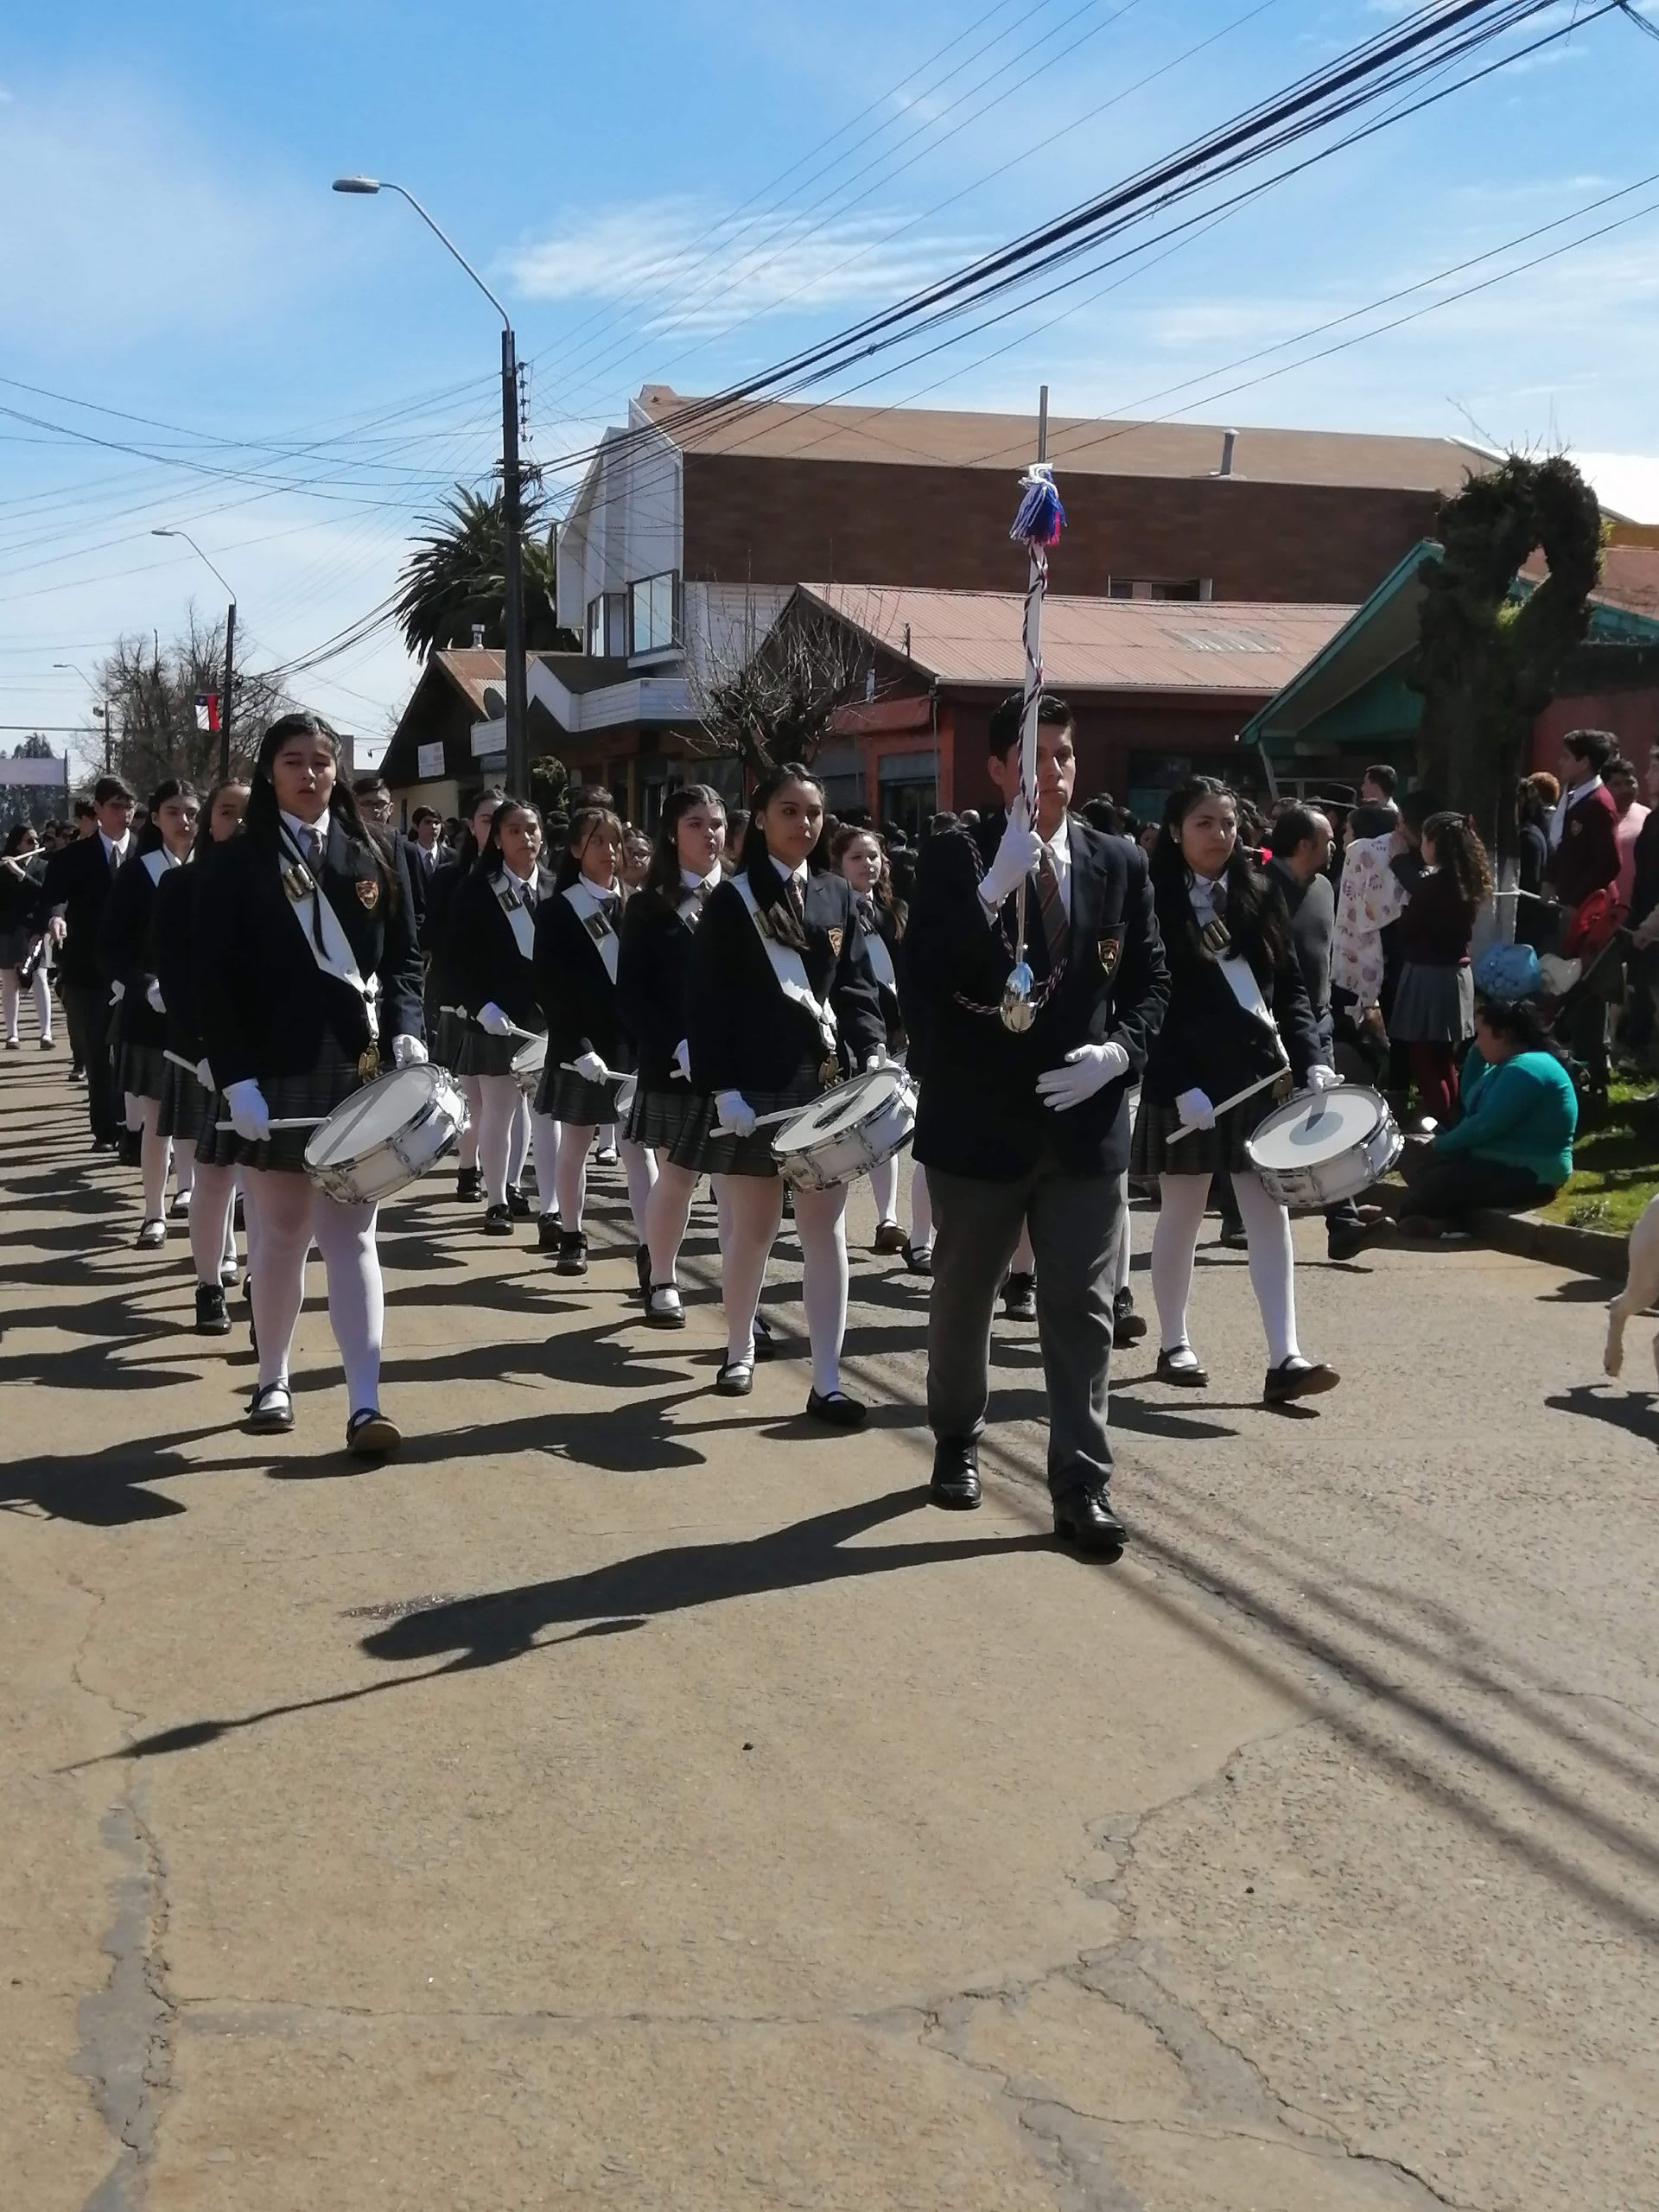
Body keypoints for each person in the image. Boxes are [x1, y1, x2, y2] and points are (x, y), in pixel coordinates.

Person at [903, 692, 1167, 1550]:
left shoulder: (1116, 859)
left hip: (1082, 1127)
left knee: (1083, 1308)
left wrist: (1119, 1054)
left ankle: (1080, 1482)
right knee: (964, 1297)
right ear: (996, 769)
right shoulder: (956, 854)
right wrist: (991, 890)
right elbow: (925, 979)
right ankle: (955, 1437)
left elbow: (1153, 979)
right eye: (1031, 756)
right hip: (979, 1125)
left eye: (1061, 754)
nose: (1048, 771)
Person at [194, 712, 424, 1452]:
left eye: (322, 761)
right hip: (274, 1073)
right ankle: (272, 1377)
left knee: (353, 1236)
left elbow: (405, 963)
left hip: (357, 1070)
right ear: (270, 772)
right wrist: (236, 1081)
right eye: (294, 761)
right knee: (284, 1236)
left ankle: (365, 1401)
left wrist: (406, 1027)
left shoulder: (377, 854)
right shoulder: (236, 862)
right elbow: (215, 986)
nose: (311, 773)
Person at [1131, 776, 1339, 1408]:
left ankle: (1285, 1356)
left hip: (1256, 1079)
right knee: (1184, 1213)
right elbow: (1148, 1001)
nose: (1219, 836)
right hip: (1188, 1087)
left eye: (1227, 824)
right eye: (1203, 823)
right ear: (1175, 831)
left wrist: (1312, 1060)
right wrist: (1172, 1083)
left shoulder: (1260, 891)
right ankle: (1175, 1342)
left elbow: (1290, 988)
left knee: (1269, 1214)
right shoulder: (1152, 899)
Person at [689, 762, 885, 1423]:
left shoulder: (839, 895)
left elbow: (856, 987)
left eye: (813, 812)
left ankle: (827, 1377)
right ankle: (739, 1344)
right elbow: (708, 1004)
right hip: (753, 1086)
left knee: (824, 1232)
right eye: (789, 811)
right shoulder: (730, 899)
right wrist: (723, 1090)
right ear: (762, 817)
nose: (803, 824)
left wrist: (876, 1048)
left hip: (824, 1083)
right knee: (754, 1231)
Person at [618, 785, 732, 1327]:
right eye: (695, 823)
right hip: (673, 1065)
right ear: (671, 832)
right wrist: (675, 1043)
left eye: (717, 822)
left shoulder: (742, 894)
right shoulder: (647, 905)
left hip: (739, 1064)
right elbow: (635, 994)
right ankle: (661, 1275)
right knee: (678, 1177)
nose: (709, 833)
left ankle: (742, 1301)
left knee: (737, 1189)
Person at [533, 805, 654, 1277]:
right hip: (578, 1046)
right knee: (576, 1142)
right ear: (577, 849)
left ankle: (649, 1248)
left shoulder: (638, 906)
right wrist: (580, 1047)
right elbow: (551, 988)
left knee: (637, 1148)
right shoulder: (558, 909)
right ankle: (572, 1232)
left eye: (615, 841)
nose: (609, 851)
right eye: (598, 841)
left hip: (631, 1047)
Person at [1268, 804, 1382, 1262]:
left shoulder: (1323, 889)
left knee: (1326, 1117)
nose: (1335, 847)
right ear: (1303, 845)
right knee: (1265, 1121)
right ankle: (1238, 1210)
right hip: (1269, 1027)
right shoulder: (1259, 891)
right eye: (1328, 840)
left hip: (1318, 1023)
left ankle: (1344, 1220)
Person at [156, 780, 250, 1331]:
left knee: (268, 1184)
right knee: (213, 1177)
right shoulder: (182, 884)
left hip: (269, 1054)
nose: (237, 823)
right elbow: (177, 976)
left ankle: (263, 1282)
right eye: (227, 812)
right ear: (210, 821)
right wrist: (206, 1048)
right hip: (205, 1054)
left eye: (248, 813)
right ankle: (208, 1284)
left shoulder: (286, 883)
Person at [449, 797, 562, 1241]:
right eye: (514, 830)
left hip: (550, 1020)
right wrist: (480, 1006)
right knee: (498, 1110)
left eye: (532, 829)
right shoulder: (478, 889)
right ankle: (496, 1199)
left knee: (549, 1115)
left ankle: (552, 1205)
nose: (526, 838)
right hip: (495, 1016)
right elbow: (457, 960)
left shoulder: (557, 886)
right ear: (496, 838)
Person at [99, 778, 200, 1245]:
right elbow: (113, 947)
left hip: (202, 1013)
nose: (185, 822)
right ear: (156, 818)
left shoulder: (215, 868)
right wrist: (143, 987)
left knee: (196, 1114)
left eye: (191, 812)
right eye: (175, 812)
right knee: (157, 1116)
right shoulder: (138, 872)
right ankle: (153, 1212)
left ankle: (190, 1191)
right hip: (151, 1010)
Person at [1390, 995, 1577, 1236]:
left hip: (1531, 1175)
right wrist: (1477, 1054)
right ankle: (1442, 1221)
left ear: (1503, 1034)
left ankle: (1413, 1223)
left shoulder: (1527, 1069)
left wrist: (1440, 1145)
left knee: (1441, 1182)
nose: (1476, 1040)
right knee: (1425, 1167)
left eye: (1481, 1034)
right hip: (1501, 1165)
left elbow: (1483, 1125)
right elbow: (1473, 1101)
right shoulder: (1508, 1065)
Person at [831, 823, 928, 1261]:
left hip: (894, 1029)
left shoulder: (895, 913)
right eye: (856, 857)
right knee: (843, 1129)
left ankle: (887, 1219)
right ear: (837, 865)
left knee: (886, 1123)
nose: (867, 864)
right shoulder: (827, 911)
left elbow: (908, 972)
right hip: (843, 1031)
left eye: (873, 856)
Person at [31, 774, 137, 1150]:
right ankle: (105, 1130)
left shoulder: (146, 854)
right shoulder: (73, 856)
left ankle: (134, 1127)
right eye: (116, 807)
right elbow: (54, 897)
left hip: (137, 969)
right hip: (87, 969)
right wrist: (55, 918)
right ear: (98, 810)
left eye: (129, 807)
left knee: (135, 1052)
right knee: (97, 1050)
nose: (124, 814)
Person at [422, 786, 505, 1201]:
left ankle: (501, 1183)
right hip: (460, 998)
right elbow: (434, 935)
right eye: (487, 819)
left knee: (507, 1100)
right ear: (472, 825)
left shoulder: (524, 877)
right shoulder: (452, 876)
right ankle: (468, 1167)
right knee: (469, 1093)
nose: (494, 828)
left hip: (508, 1004)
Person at [1389, 809, 1489, 1126]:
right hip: (1455, 973)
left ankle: (1447, 1125)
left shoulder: (1434, 886)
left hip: (1429, 975)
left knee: (1424, 1060)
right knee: (1444, 1058)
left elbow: (1409, 927)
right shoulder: (1465, 881)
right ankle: (1456, 1120)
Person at [0, 823, 53, 1051]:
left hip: (34, 930)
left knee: (39, 977)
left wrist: (21, 874)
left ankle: (46, 1033)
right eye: (30, 841)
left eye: (36, 841)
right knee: (9, 980)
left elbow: (45, 893)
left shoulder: (43, 866)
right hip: (8, 930)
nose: (35, 845)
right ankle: (12, 1034)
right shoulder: (4, 867)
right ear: (18, 844)